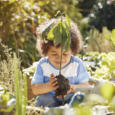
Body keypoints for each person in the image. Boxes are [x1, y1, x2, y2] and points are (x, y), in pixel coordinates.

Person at [31, 17, 90, 107]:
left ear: (72, 51)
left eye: (65, 54)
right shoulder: (43, 65)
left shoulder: (76, 64)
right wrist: (49, 86)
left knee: (80, 98)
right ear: (45, 51)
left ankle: (70, 110)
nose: (60, 58)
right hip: (50, 101)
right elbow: (35, 89)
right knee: (41, 99)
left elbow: (86, 86)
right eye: (54, 54)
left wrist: (71, 88)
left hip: (70, 99)